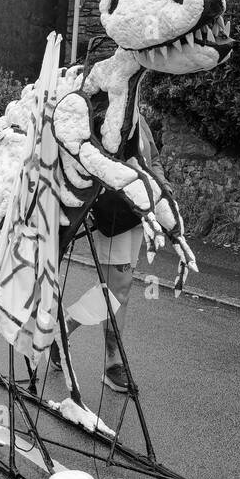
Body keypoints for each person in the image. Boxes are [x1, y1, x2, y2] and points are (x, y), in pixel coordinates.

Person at [56, 115, 160, 392]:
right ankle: (112, 364)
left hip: (140, 212)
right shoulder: (106, 114)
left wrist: (162, 190)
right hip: (116, 212)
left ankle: (63, 332)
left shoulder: (140, 118)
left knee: (116, 291)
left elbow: (154, 159)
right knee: (117, 291)